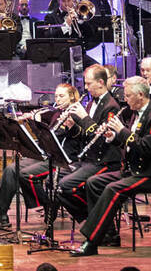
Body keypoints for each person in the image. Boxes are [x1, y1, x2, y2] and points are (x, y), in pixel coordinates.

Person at [70, 76, 151, 256]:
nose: (125, 99)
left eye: (129, 95)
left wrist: (122, 131)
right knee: (93, 183)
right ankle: (108, 234)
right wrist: (113, 137)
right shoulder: (134, 112)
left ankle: (91, 241)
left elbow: (145, 148)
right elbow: (130, 145)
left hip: (150, 175)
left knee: (112, 189)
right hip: (133, 171)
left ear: (140, 95)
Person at [0, 83, 83, 226]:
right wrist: (35, 122)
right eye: (56, 96)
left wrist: (72, 126)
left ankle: (48, 204)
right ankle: (1, 215)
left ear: (72, 97)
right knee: (11, 169)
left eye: (62, 96)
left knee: (25, 175)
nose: (58, 100)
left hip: (64, 160)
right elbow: (47, 137)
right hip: (49, 155)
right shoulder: (57, 114)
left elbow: (77, 136)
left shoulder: (77, 114)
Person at [57, 65, 124, 225]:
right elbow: (85, 134)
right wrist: (73, 124)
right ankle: (93, 220)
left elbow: (100, 138)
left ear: (100, 82)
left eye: (88, 84)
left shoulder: (111, 106)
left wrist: (84, 117)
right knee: (55, 179)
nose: (85, 88)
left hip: (104, 161)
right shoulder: (90, 103)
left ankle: (97, 223)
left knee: (65, 184)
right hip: (89, 159)